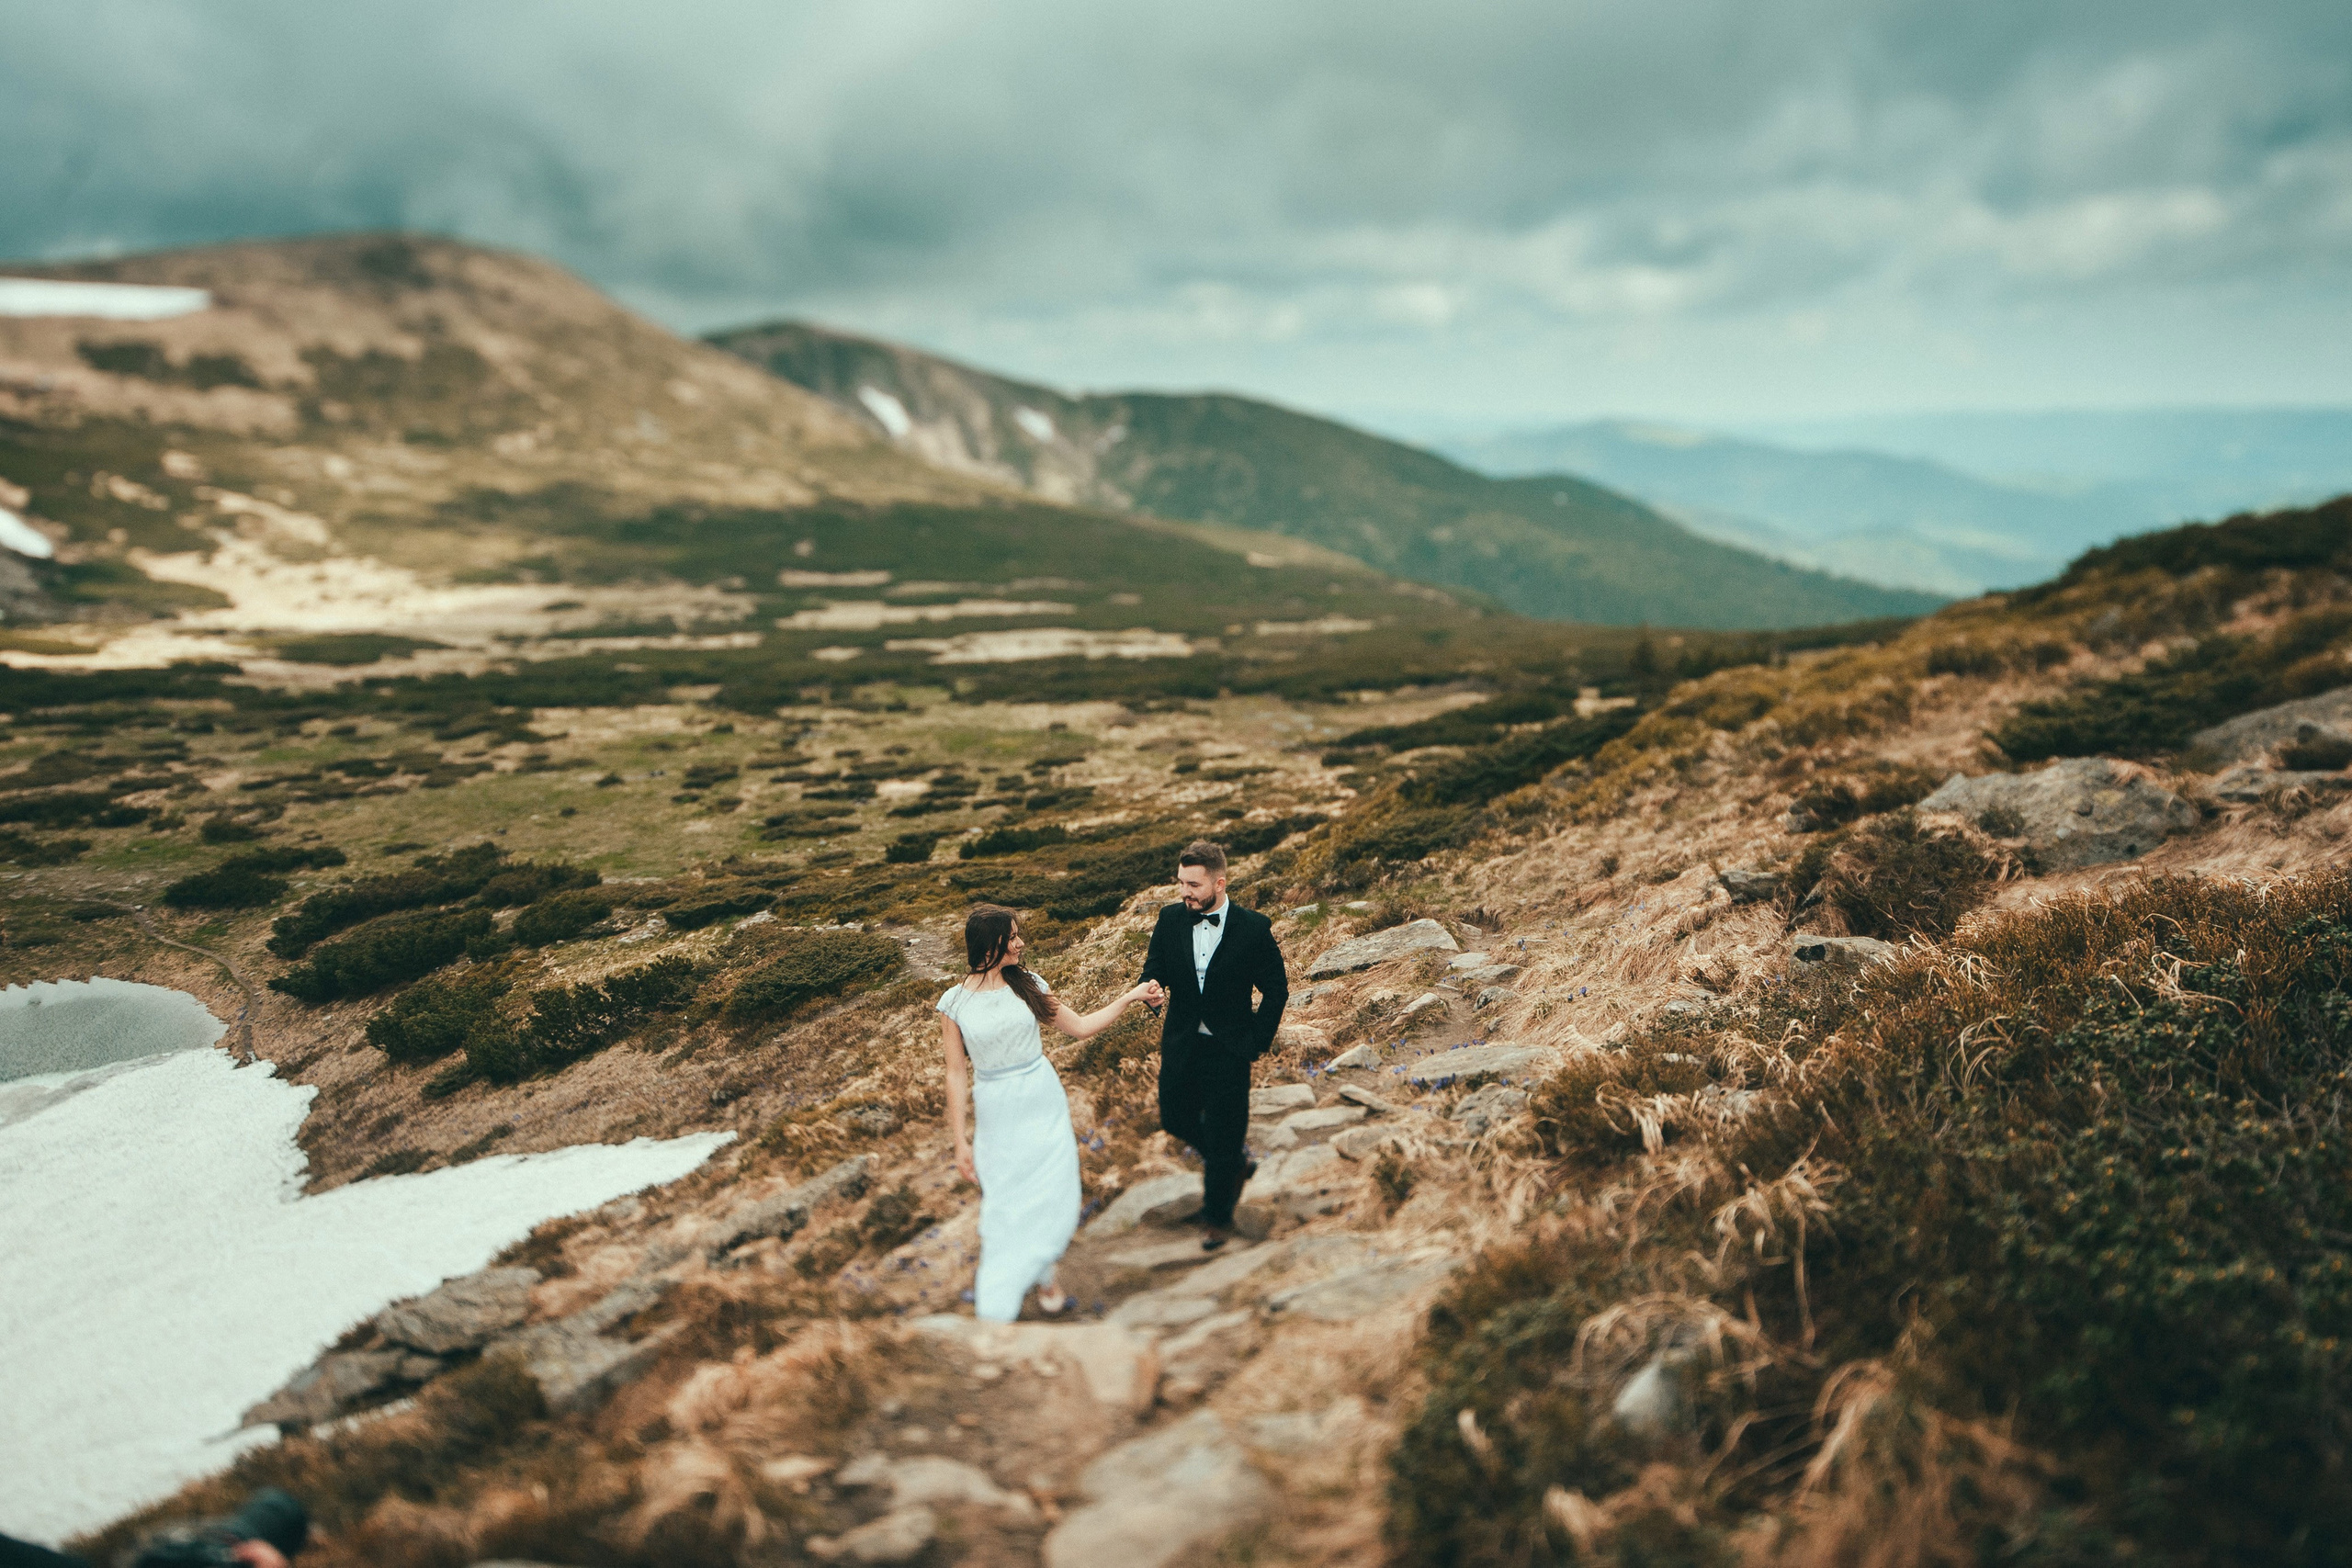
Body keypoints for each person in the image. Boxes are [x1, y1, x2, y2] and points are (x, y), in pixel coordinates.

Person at [940, 904, 1158, 1321]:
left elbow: (1080, 1028)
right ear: (991, 944)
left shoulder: (1030, 985)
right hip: (996, 1107)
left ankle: (1047, 1276)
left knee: (1048, 1190)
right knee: (1006, 1198)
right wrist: (959, 1140)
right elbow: (954, 1075)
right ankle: (1006, 1288)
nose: (1021, 943)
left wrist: (1130, 996)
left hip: (1041, 1097)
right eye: (1013, 937)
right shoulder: (954, 1003)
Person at [1135, 840, 1290, 1249]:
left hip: (1230, 1049)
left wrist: (1257, 1040)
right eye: (1181, 883)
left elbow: (1276, 989)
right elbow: (1155, 966)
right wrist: (1149, 988)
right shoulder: (1169, 919)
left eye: (1194, 885)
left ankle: (1217, 1218)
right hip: (1182, 1043)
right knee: (1174, 1117)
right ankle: (1233, 1163)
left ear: (1220, 883)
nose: (1185, 892)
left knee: (1224, 1132)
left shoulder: (1254, 928)